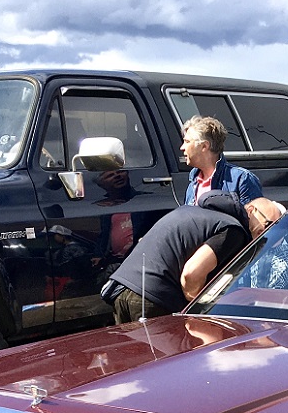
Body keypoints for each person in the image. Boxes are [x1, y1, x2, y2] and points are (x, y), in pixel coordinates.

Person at [103, 191, 273, 323]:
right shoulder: (233, 231)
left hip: (122, 290)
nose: (268, 231)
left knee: (132, 364)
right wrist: (203, 310)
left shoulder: (197, 213)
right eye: (268, 224)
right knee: (162, 364)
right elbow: (191, 274)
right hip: (152, 297)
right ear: (251, 210)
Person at [180, 116, 263, 206]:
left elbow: (255, 218)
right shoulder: (193, 184)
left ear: (204, 146)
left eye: (187, 142)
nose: (182, 147)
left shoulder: (241, 180)